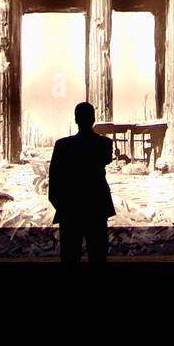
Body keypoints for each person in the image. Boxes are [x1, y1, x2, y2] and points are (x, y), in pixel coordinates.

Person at [47, 101, 115, 262]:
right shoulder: (104, 144)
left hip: (70, 210)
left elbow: (54, 182)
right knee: (98, 257)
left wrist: (63, 207)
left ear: (76, 119)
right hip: (96, 209)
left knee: (70, 258)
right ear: (93, 119)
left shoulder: (62, 146)